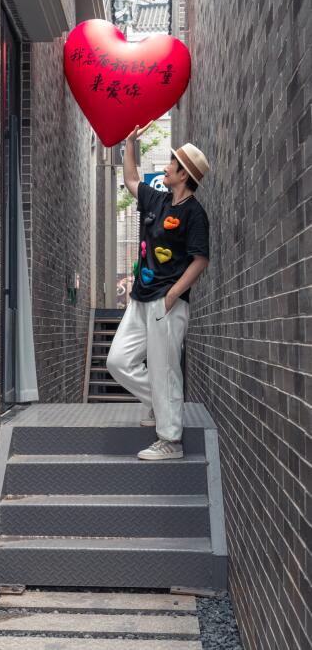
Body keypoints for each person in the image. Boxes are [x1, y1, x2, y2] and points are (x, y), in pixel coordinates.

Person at [106, 122, 210, 460]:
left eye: (171, 164)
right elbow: (131, 180)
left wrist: (172, 296)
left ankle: (170, 441)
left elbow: (200, 260)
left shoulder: (195, 214)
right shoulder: (157, 200)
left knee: (165, 370)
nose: (165, 168)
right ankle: (156, 402)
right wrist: (129, 144)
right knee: (118, 361)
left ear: (183, 175)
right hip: (140, 298)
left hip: (167, 303)